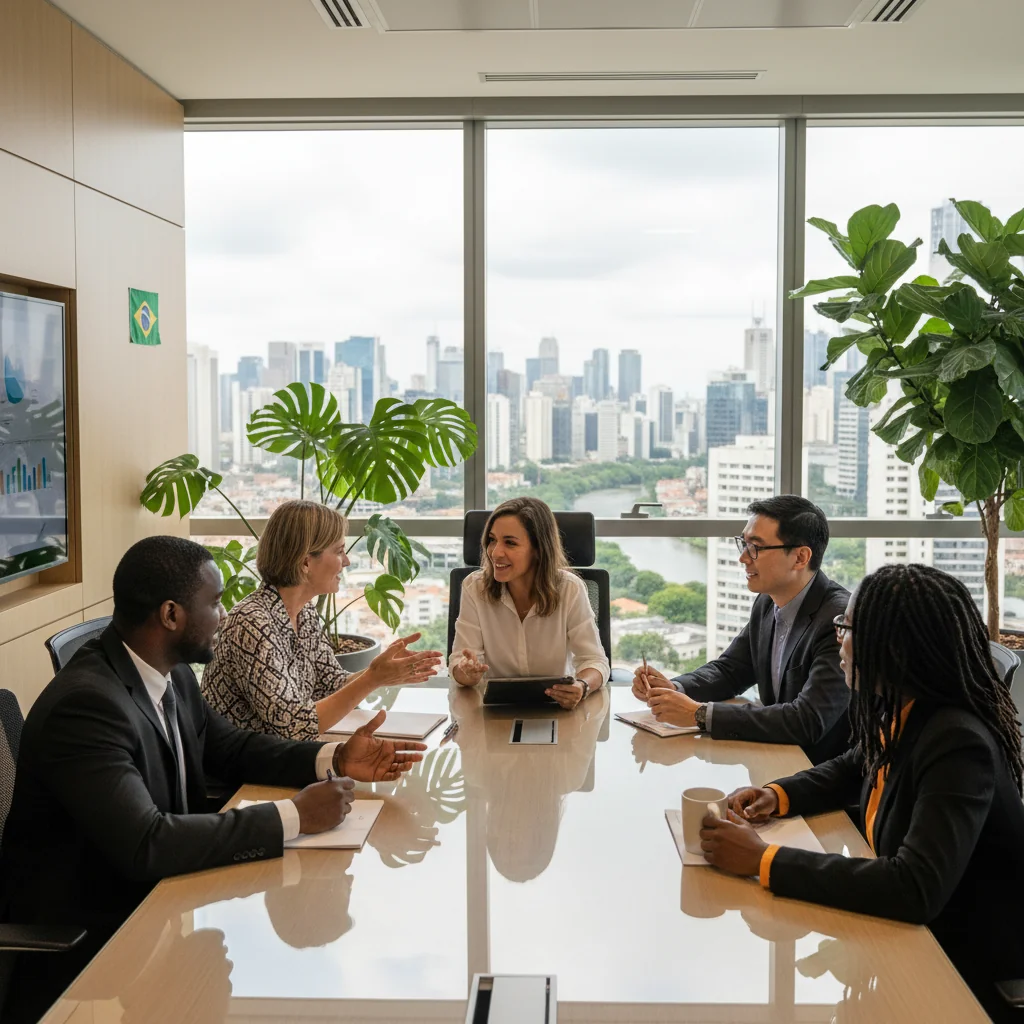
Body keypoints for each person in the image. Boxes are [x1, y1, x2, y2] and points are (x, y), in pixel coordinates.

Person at [0, 536, 427, 1024]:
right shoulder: (87, 707)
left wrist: (334, 759)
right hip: (97, 945)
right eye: (215, 602)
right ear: (171, 615)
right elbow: (147, 842)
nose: (224, 616)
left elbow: (229, 749)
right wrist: (295, 816)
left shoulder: (171, 674)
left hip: (165, 905)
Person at [699, 563, 1024, 1023]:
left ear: (894, 647)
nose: (838, 639)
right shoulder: (904, 708)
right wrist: (776, 794)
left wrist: (762, 860)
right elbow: (854, 768)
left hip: (959, 966)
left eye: (847, 627)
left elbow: (913, 888)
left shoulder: (957, 741)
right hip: (910, 939)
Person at [632, 495, 850, 764]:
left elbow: (807, 720)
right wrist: (675, 689)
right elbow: (730, 671)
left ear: (800, 557)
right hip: (773, 757)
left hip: (818, 774)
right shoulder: (767, 602)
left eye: (755, 548)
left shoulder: (839, 619)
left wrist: (699, 714)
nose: (743, 558)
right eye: (744, 544)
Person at [204, 500, 442, 740]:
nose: (346, 561)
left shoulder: (304, 612)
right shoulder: (251, 623)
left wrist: (379, 671)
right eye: (339, 551)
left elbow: (332, 684)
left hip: (280, 761)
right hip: (238, 773)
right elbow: (295, 726)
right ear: (306, 562)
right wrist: (373, 678)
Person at [449, 497, 610, 709]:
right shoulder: (474, 587)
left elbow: (595, 661)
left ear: (538, 548)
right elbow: (460, 663)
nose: (495, 552)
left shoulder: (570, 588)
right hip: (492, 712)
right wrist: (466, 673)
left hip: (557, 709)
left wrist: (582, 686)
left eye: (510, 542)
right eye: (492, 539)